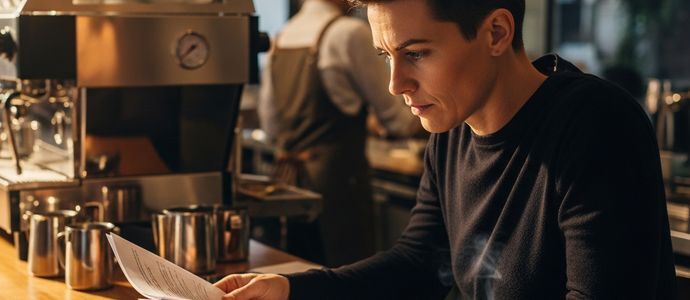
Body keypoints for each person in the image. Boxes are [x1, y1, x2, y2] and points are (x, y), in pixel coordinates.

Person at [217, 0, 677, 299]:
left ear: (496, 32)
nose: (396, 84)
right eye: (386, 55)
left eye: (416, 53)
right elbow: (421, 260)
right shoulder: (452, 129)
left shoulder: (595, 124)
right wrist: (291, 291)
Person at [258, 0, 423, 266]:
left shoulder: (283, 36)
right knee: (347, 275)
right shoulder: (348, 33)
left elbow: (271, 126)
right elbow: (398, 121)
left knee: (299, 276)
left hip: (288, 185)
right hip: (337, 184)